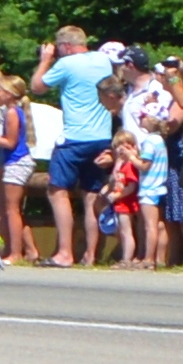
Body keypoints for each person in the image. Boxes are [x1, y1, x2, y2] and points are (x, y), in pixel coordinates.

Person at [31, 28, 118, 266]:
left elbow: (37, 86)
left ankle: (65, 252)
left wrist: (45, 60)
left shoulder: (67, 63)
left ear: (66, 46)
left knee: (57, 191)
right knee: (91, 194)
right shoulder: (102, 60)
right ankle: (91, 253)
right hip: (101, 137)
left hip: (74, 138)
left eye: (59, 49)